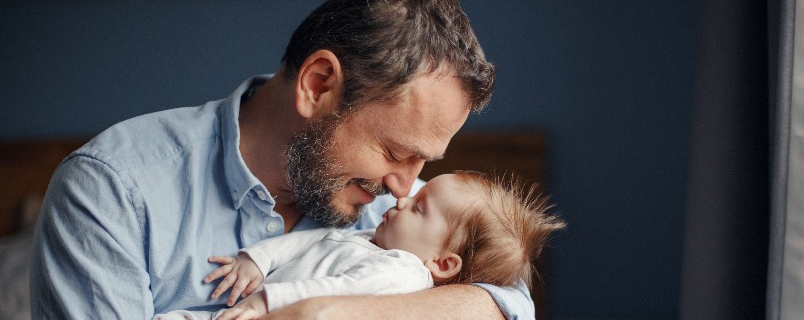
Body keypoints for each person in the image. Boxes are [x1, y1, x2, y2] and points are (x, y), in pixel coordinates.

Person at [29, 0, 533, 319]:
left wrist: (331, 311)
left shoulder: (406, 216)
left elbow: (508, 302)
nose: (405, 186)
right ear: (317, 86)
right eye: (396, 152)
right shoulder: (111, 191)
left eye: (423, 162)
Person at [154, 172, 565, 320]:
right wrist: (256, 259)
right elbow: (303, 243)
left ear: (441, 262)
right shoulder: (372, 239)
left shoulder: (401, 272)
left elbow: (329, 297)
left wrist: (265, 300)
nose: (402, 195)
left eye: (419, 208)